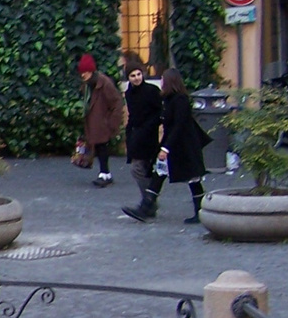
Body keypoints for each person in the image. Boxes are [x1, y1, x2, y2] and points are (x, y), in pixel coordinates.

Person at [134, 68, 208, 224]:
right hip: (175, 145)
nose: (161, 82)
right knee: (159, 174)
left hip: (185, 147)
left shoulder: (180, 100)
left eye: (162, 79)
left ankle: (200, 211)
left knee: (193, 179)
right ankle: (146, 207)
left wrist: (165, 148)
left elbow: (178, 126)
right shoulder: (169, 99)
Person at [120, 57, 162, 219]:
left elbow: (159, 112)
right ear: (128, 78)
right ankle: (149, 202)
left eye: (139, 74)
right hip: (136, 135)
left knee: (139, 169)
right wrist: (129, 132)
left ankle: (148, 202)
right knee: (142, 170)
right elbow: (132, 114)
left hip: (148, 136)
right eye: (133, 75)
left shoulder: (151, 91)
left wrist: (148, 127)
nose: (137, 78)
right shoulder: (129, 93)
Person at [78, 53, 124, 187]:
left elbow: (116, 102)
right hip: (95, 122)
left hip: (102, 122)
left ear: (91, 70)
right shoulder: (88, 85)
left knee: (102, 147)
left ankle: (105, 174)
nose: (83, 74)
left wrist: (111, 123)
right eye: (81, 71)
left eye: (85, 71)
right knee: (99, 147)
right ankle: (105, 173)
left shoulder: (103, 83)